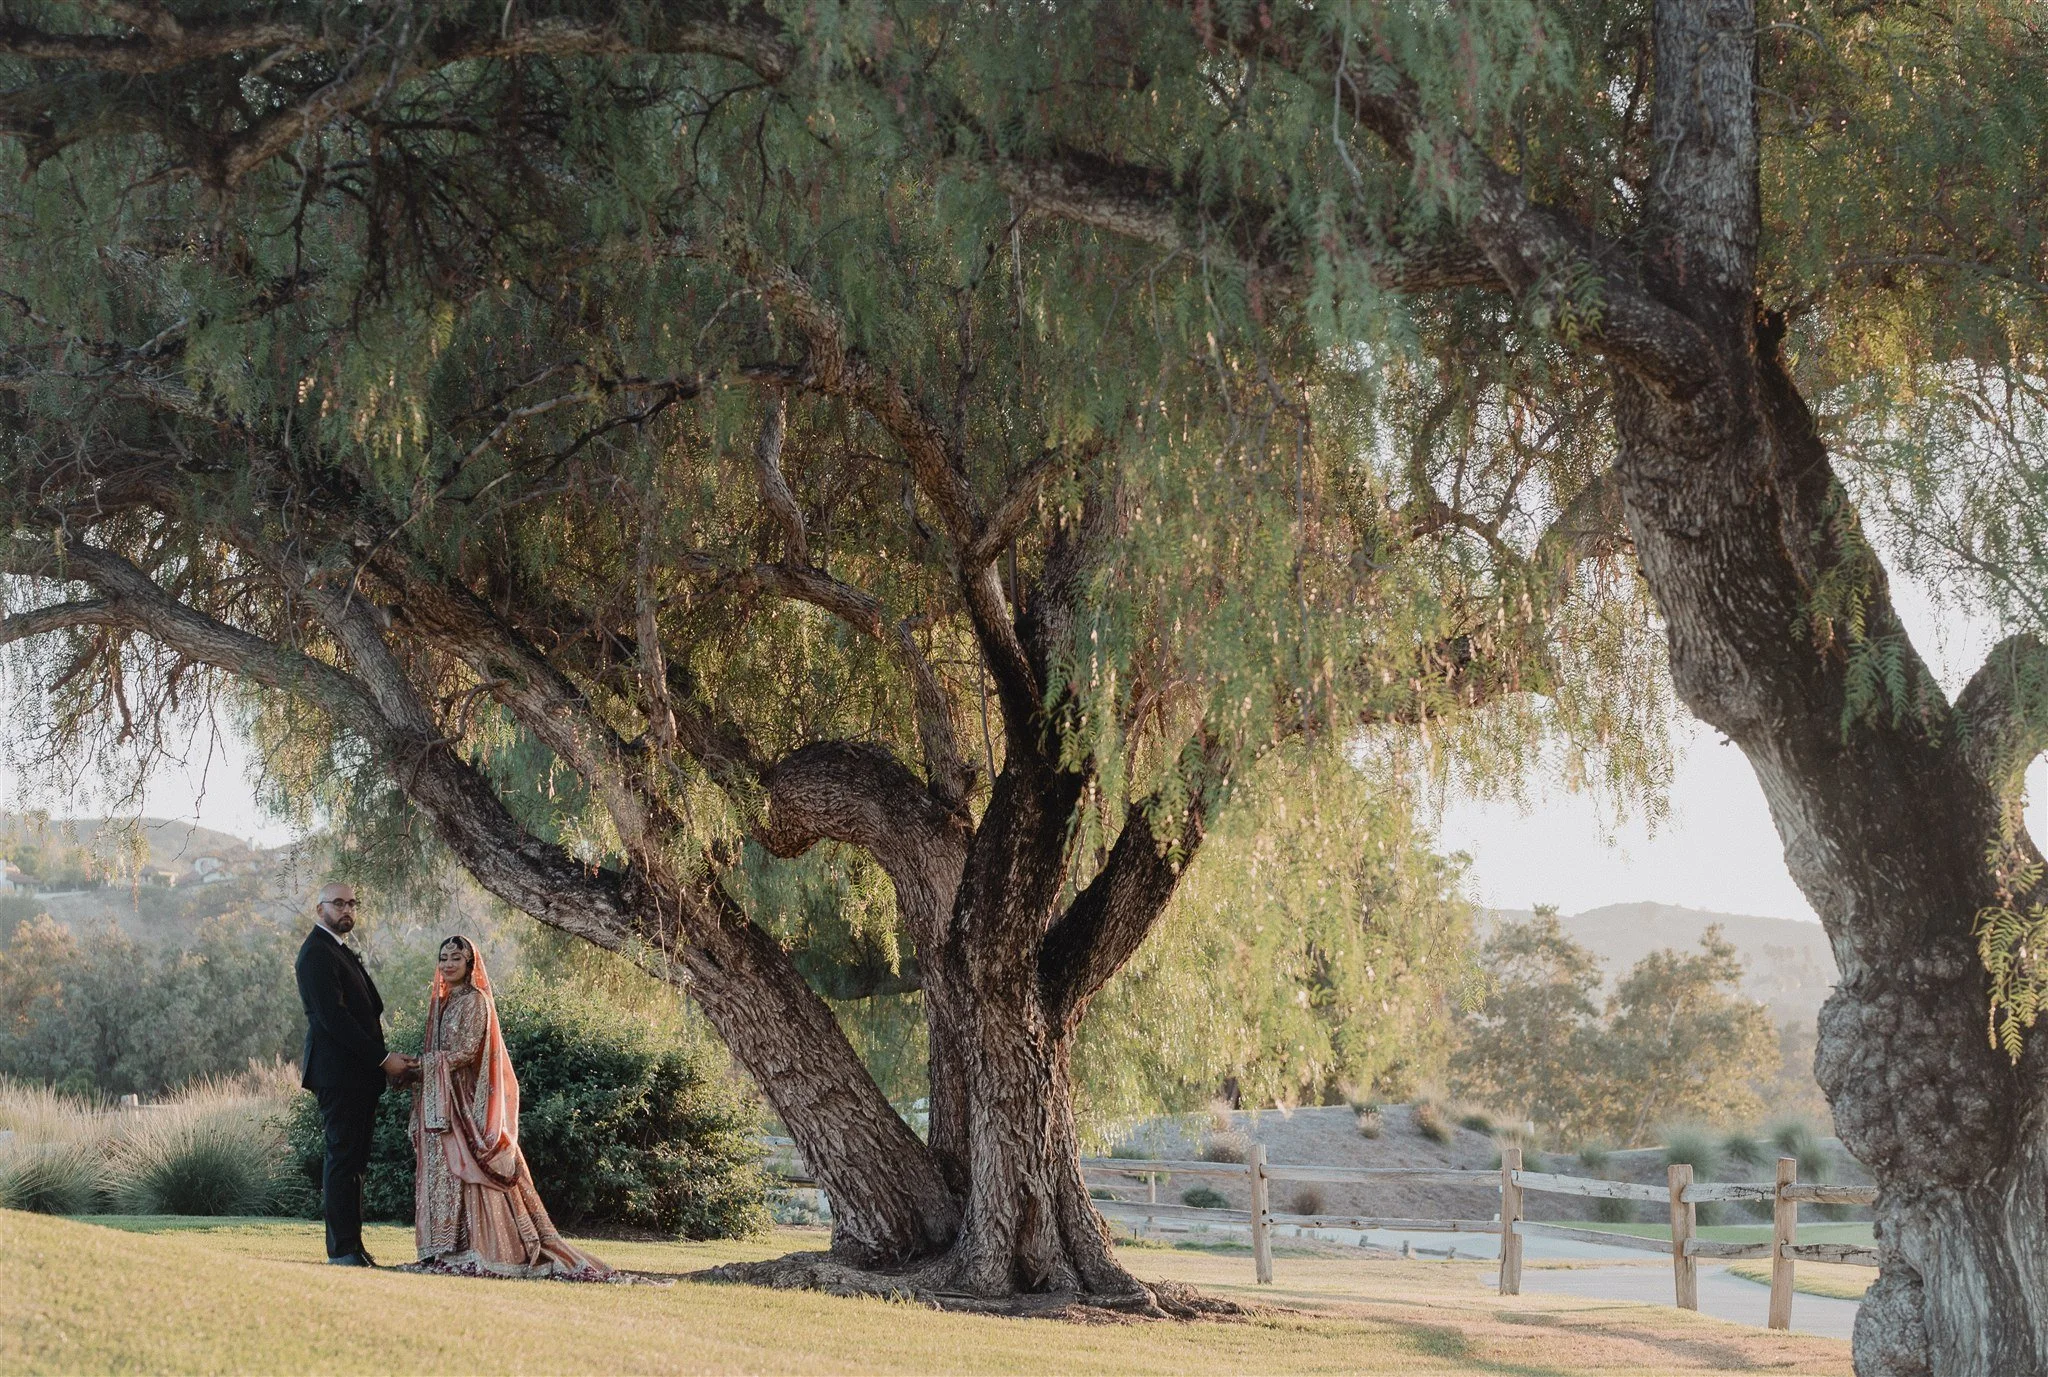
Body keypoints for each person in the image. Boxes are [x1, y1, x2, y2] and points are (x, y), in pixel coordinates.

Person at [408, 935, 611, 1280]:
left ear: (470, 964)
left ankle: (487, 1249)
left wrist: (418, 1065)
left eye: (456, 958)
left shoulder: (475, 1001)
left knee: (473, 1164)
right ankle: (449, 1250)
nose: (448, 964)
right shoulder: (444, 1004)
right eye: (443, 958)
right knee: (448, 1169)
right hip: (444, 1096)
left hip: (467, 1100)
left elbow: (468, 1053)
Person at [295, 881, 417, 1267]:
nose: (347, 909)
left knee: (354, 1162)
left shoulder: (339, 950)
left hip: (356, 1075)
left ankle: (353, 1247)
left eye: (352, 903)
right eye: (338, 903)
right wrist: (383, 1060)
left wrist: (382, 1064)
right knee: (344, 1159)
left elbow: (367, 1012)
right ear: (320, 910)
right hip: (338, 1074)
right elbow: (336, 1020)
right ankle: (343, 1251)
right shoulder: (316, 953)